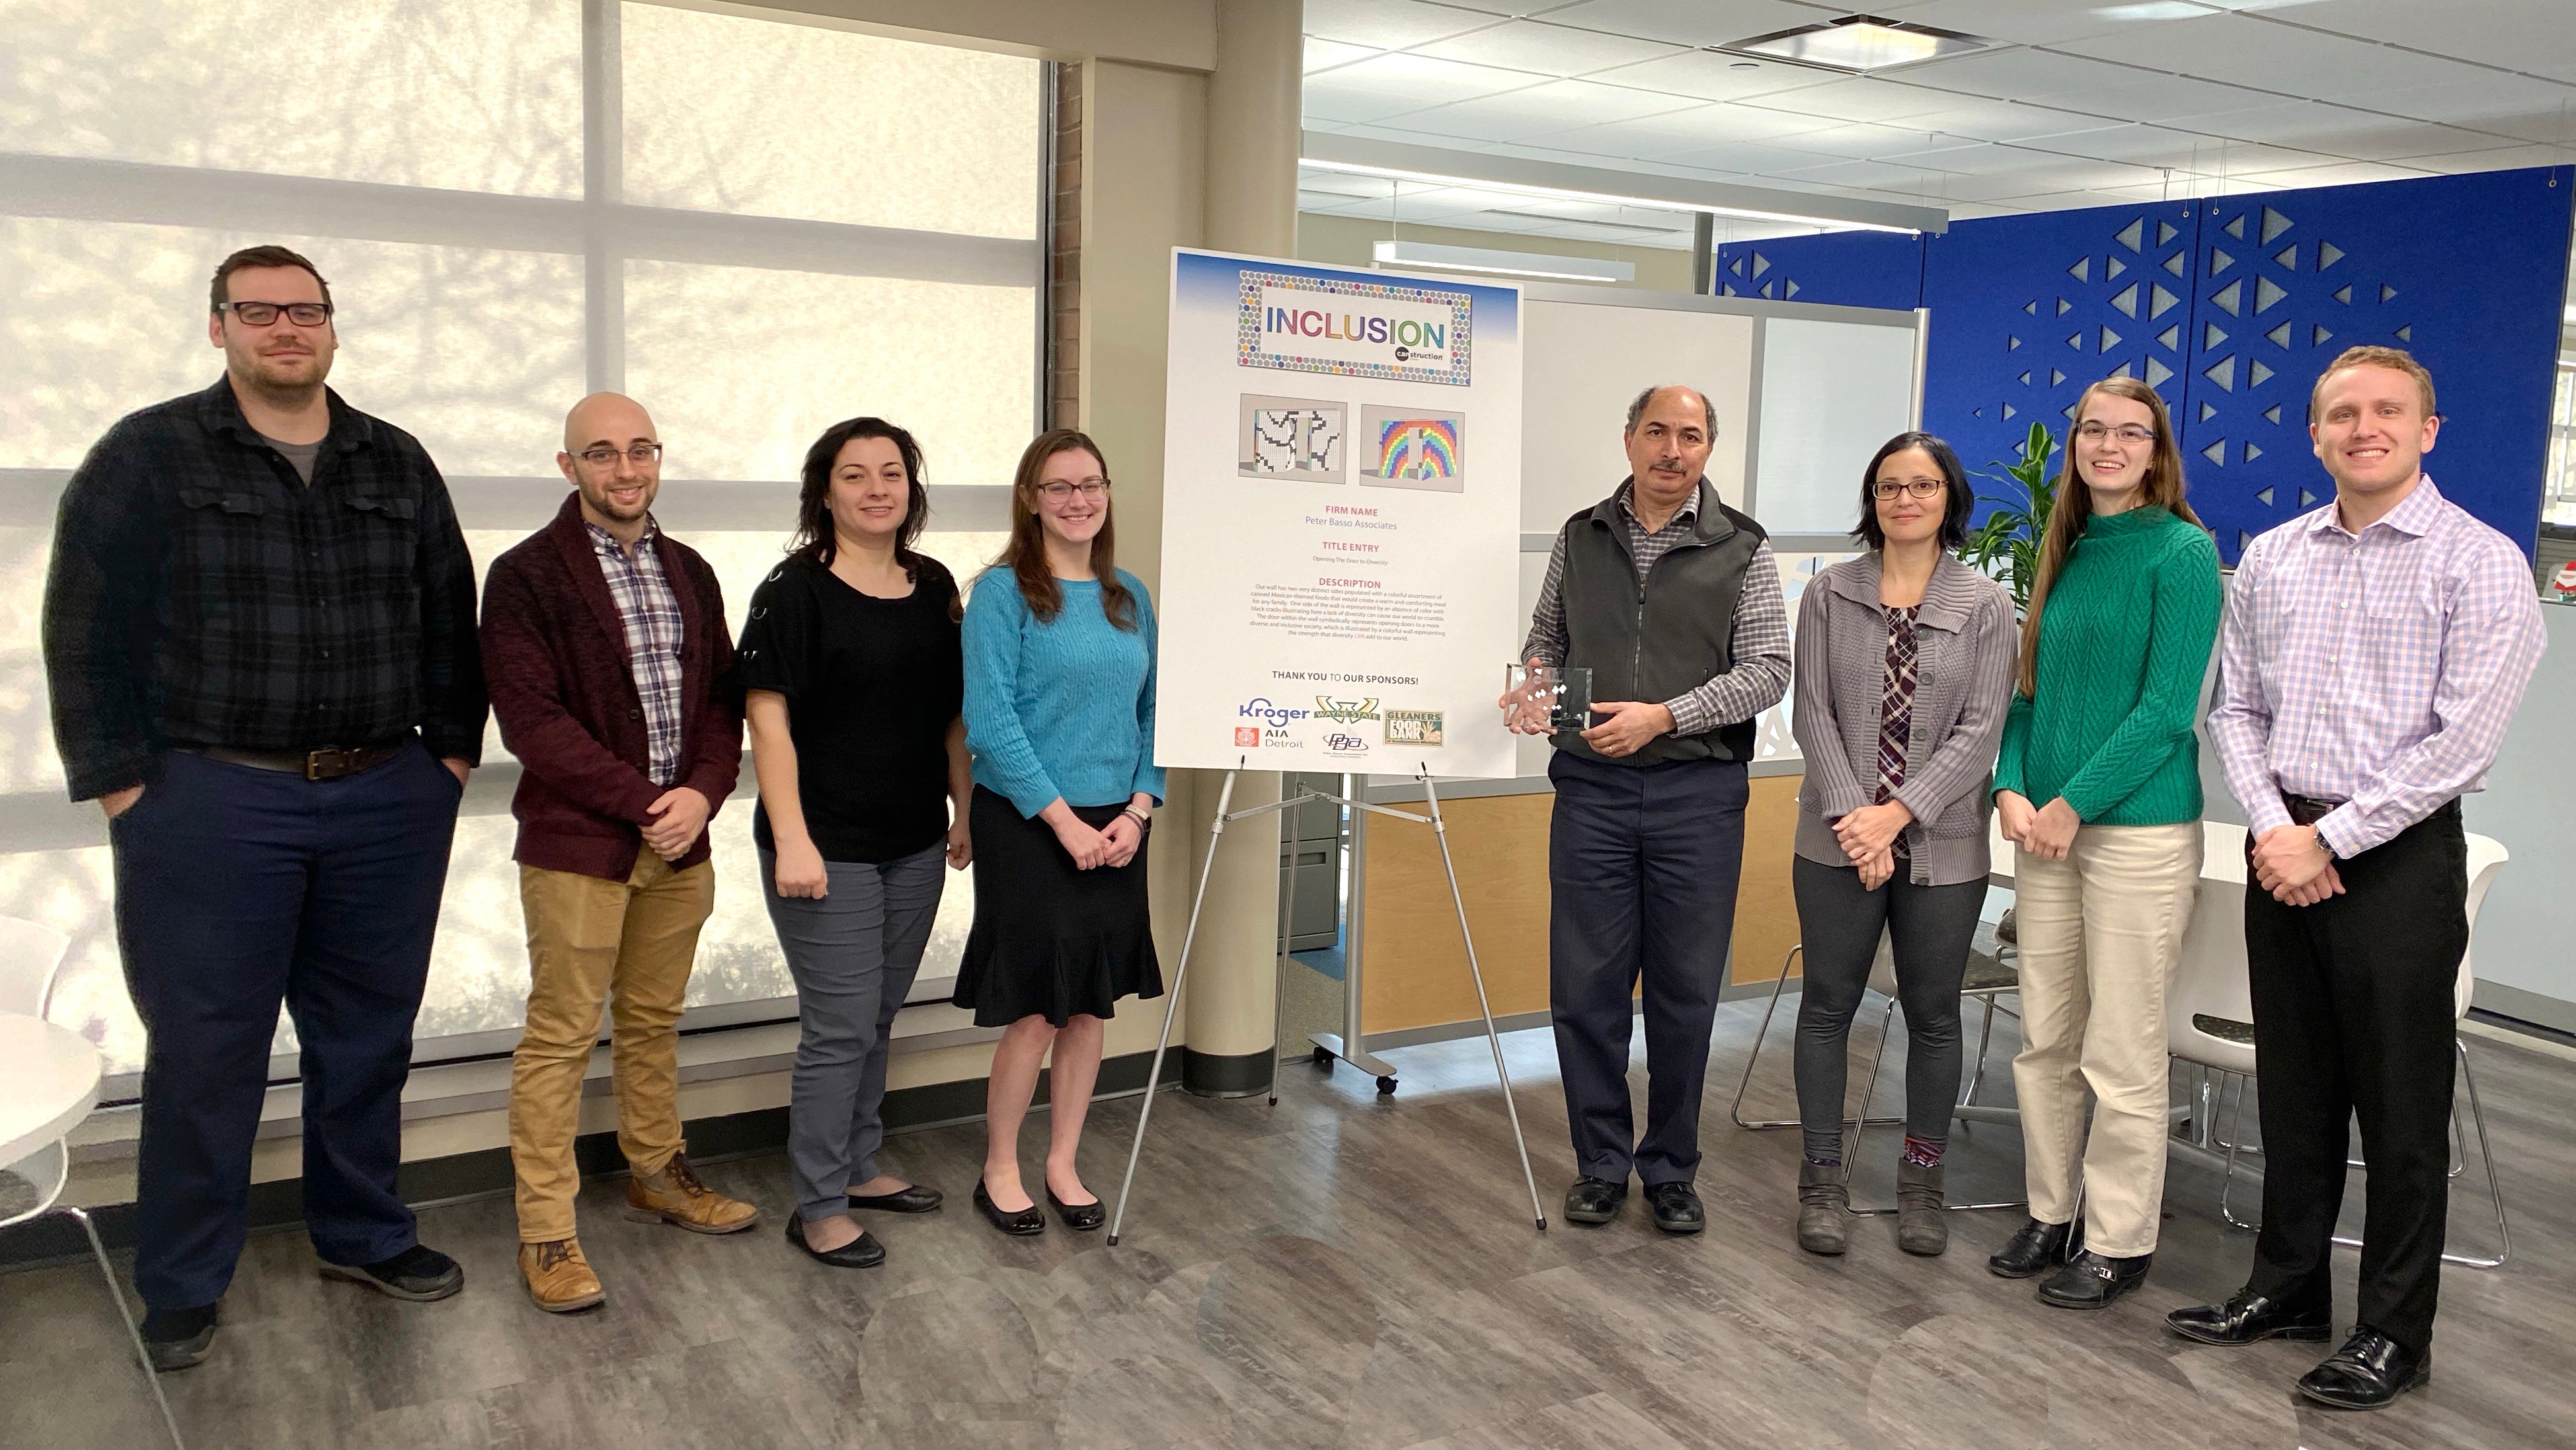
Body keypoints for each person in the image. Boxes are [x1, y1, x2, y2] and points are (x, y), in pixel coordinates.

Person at [40, 245, 486, 1369]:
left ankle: (363, 1233)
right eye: (260, 311)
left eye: (306, 311)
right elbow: (83, 625)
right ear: (218, 327)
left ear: (333, 328)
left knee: (366, 1037)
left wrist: (449, 758)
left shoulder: (395, 460)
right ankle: (185, 1280)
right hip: (210, 800)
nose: (286, 328)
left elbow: (450, 610)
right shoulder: (148, 454)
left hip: (385, 794)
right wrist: (126, 784)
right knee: (206, 1050)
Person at [2179, 347, 2545, 1409]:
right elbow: (2235, 710)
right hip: (2279, 842)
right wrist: (2270, 825)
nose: (2363, 427)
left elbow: (2461, 744)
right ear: (2316, 434)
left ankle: (2393, 1333)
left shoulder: (2477, 564)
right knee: (2293, 1088)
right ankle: (2287, 1289)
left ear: (2427, 430)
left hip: (2393, 854)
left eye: (2388, 411)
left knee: (2397, 1109)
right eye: (2342, 413)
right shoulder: (2277, 555)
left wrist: (2327, 838)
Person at [481, 393, 758, 1314]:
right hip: (580, 846)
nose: (625, 469)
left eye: (641, 450)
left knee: (651, 1023)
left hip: (681, 844)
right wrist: (647, 802)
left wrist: (702, 795)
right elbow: (532, 722)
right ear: (569, 467)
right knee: (560, 1036)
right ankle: (547, 1229)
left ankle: (656, 1172)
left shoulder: (690, 568)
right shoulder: (525, 576)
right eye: (602, 454)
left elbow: (723, 699)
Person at [1509, 383, 1791, 1235]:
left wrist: (1665, 716)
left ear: (1710, 449)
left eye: (1692, 436)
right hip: (1591, 791)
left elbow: (1769, 669)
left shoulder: (1743, 546)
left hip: (1697, 796)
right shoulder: (1579, 535)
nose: (1674, 450)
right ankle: (1600, 1164)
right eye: (1658, 432)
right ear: (1628, 439)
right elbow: (1547, 639)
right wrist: (1533, 685)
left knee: (1684, 993)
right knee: (1586, 987)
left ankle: (1671, 1168)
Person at [1986, 375, 2221, 1309]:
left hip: (2135, 833)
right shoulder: (2069, 548)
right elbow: (2028, 690)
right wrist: (2010, 781)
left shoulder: (2184, 552)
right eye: (2093, 430)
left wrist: (2071, 802)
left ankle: (2120, 1239)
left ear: (2157, 451)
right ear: (2075, 443)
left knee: (2120, 1049)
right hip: (2045, 829)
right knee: (2045, 1036)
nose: (2108, 446)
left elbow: (2166, 712)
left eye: (2131, 432)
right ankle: (2051, 1211)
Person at [742, 417, 971, 1270]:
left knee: (875, 1016)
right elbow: (768, 719)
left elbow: (951, 713)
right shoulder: (792, 590)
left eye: (892, 473)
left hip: (912, 842)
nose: (877, 489)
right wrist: (792, 840)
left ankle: (860, 1167)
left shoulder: (935, 583)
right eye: (854, 475)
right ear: (825, 491)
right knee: (838, 1028)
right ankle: (819, 1203)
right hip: (824, 846)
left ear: (911, 489)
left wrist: (965, 809)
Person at [1787, 432, 2015, 1258]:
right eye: (1889, 486)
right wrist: (1859, 816)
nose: (1905, 500)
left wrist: (1898, 815)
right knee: (1826, 1009)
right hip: (1835, 839)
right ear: (1871, 499)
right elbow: (1809, 709)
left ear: (1949, 499)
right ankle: (1821, 1181)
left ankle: (1923, 1181)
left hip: (1945, 846)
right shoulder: (1828, 594)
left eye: (1921, 486)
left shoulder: (1987, 605)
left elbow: (1981, 730)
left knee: (1934, 1015)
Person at [955, 428, 1163, 1237]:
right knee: (1038, 1009)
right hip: (1029, 825)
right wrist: (1067, 824)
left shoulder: (1130, 595)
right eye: (1059, 487)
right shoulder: (1003, 594)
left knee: (1090, 1010)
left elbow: (1155, 718)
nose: (1078, 500)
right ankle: (1000, 1166)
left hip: (1119, 828)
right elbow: (991, 723)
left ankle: (1062, 1162)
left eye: (1091, 485)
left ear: (1107, 494)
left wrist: (1138, 811)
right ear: (1030, 499)